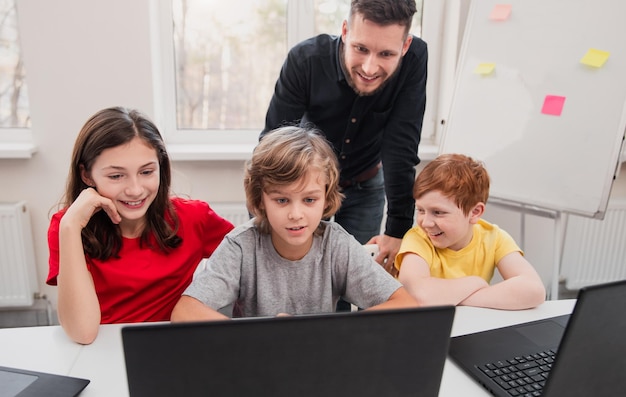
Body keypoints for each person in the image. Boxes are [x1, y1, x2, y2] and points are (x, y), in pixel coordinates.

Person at [170, 126, 418, 322]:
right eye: (281, 200)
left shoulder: (336, 244)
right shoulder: (241, 246)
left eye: (309, 199)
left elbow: (403, 303)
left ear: (326, 197)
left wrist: (334, 330)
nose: (296, 214)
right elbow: (185, 312)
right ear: (260, 199)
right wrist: (258, 333)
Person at [261, 0, 427, 275]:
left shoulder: (415, 59)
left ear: (405, 46)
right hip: (308, 187)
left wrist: (398, 231)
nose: (370, 68)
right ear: (345, 31)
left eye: (386, 54)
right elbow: (273, 146)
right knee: (304, 278)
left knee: (355, 279)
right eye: (361, 49)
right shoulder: (305, 60)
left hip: (365, 182)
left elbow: (401, 146)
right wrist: (264, 219)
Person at [47, 107, 234, 344]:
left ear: (161, 167)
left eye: (146, 172)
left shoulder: (194, 217)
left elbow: (255, 255)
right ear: (87, 175)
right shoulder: (67, 227)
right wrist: (70, 227)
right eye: (116, 176)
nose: (135, 190)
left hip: (173, 347)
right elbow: (82, 333)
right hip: (101, 348)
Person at [395, 154, 546, 310]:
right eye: (420, 210)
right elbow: (418, 294)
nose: (425, 222)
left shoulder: (494, 238)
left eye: (438, 212)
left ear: (475, 212)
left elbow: (534, 290)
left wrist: (457, 297)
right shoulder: (417, 239)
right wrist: (476, 283)